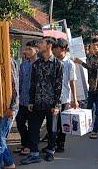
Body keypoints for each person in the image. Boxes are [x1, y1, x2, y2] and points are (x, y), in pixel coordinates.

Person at [20, 36, 63, 164]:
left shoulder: (57, 64)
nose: (39, 44)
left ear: (49, 46)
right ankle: (34, 154)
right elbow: (33, 84)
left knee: (52, 129)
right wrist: (31, 101)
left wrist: (56, 105)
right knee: (33, 128)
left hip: (51, 104)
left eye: (42, 43)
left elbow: (58, 86)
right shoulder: (36, 64)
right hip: (37, 102)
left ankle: (50, 151)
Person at [74, 38, 98, 139]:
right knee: (89, 109)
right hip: (92, 87)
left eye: (97, 45)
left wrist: (81, 62)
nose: (95, 47)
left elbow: (94, 67)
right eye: (94, 45)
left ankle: (95, 130)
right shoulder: (89, 57)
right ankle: (88, 127)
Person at [0, 54, 19, 169]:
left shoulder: (9, 62)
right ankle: (9, 162)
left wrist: (12, 107)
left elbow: (15, 86)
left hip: (9, 107)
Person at [52, 38, 78, 153]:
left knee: (61, 123)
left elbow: (72, 82)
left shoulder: (69, 63)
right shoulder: (53, 61)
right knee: (52, 122)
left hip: (64, 98)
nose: (54, 50)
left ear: (63, 49)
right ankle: (52, 143)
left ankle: (60, 144)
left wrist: (74, 100)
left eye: (56, 48)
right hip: (52, 97)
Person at [15, 40, 39, 155]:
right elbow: (20, 81)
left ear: (37, 50)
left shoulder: (40, 64)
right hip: (23, 100)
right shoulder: (23, 65)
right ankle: (24, 143)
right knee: (19, 121)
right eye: (26, 49)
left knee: (33, 125)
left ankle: (30, 146)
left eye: (30, 49)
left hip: (34, 101)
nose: (27, 51)